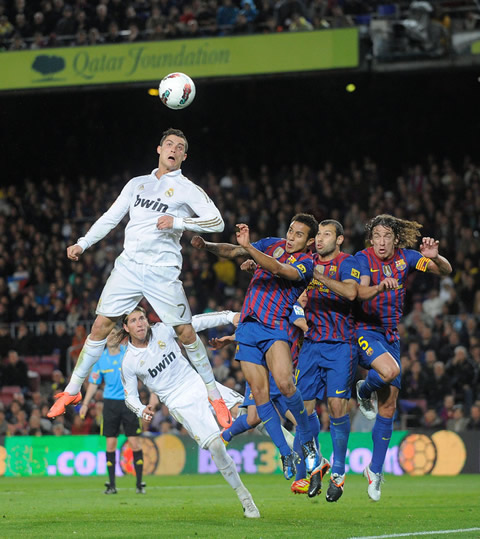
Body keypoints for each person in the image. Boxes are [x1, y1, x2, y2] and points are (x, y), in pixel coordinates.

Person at [48, 128, 231, 429]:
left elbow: (217, 221)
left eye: (180, 147)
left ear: (184, 156)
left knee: (185, 333)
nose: (173, 148)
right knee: (99, 327)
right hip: (129, 267)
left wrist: (179, 221)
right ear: (158, 149)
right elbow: (111, 217)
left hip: (162, 271)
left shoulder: (186, 188)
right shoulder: (137, 184)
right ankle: (72, 391)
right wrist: (83, 243)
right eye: (169, 144)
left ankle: (214, 395)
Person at [191, 213, 321, 481]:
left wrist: (250, 248)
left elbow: (279, 270)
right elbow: (234, 250)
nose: (291, 237)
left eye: (298, 234)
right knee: (260, 397)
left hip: (274, 327)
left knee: (285, 384)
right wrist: (208, 245)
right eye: (290, 230)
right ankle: (286, 452)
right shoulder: (272, 243)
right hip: (248, 327)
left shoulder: (308, 263)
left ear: (309, 242)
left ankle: (306, 437)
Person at [119, 305, 260, 518]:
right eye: (133, 320)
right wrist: (141, 409)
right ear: (126, 327)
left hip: (198, 382)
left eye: (142, 318)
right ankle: (245, 498)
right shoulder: (129, 362)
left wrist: (229, 316)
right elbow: (130, 396)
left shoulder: (163, 330)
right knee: (215, 446)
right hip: (179, 401)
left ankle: (296, 451)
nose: (139, 323)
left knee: (252, 413)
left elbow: (195, 322)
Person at [354, 214, 452, 502]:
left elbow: (444, 271)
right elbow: (359, 292)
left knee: (388, 407)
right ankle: (363, 389)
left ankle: (374, 471)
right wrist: (378, 286)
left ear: (395, 239)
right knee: (387, 371)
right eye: (377, 236)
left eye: (387, 236)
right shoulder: (362, 259)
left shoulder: (407, 257)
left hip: (392, 335)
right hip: (366, 330)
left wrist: (437, 257)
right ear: (371, 239)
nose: (382, 242)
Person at [293, 219, 360, 501]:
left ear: (340, 239)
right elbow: (293, 296)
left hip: (340, 346)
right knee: (303, 409)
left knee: (335, 407)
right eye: (318, 234)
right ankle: (316, 463)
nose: (319, 239)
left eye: (327, 234)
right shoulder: (307, 261)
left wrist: (318, 276)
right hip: (311, 345)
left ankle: (340, 471)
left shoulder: (348, 262)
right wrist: (299, 311)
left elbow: (351, 292)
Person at [79, 329, 145, 495]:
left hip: (129, 402)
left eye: (113, 333)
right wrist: (86, 403)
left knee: (134, 443)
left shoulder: (128, 353)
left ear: (119, 336)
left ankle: (139, 484)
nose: (109, 336)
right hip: (110, 405)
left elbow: (142, 371)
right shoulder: (100, 359)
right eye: (107, 334)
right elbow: (94, 383)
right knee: (110, 444)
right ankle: (112, 485)